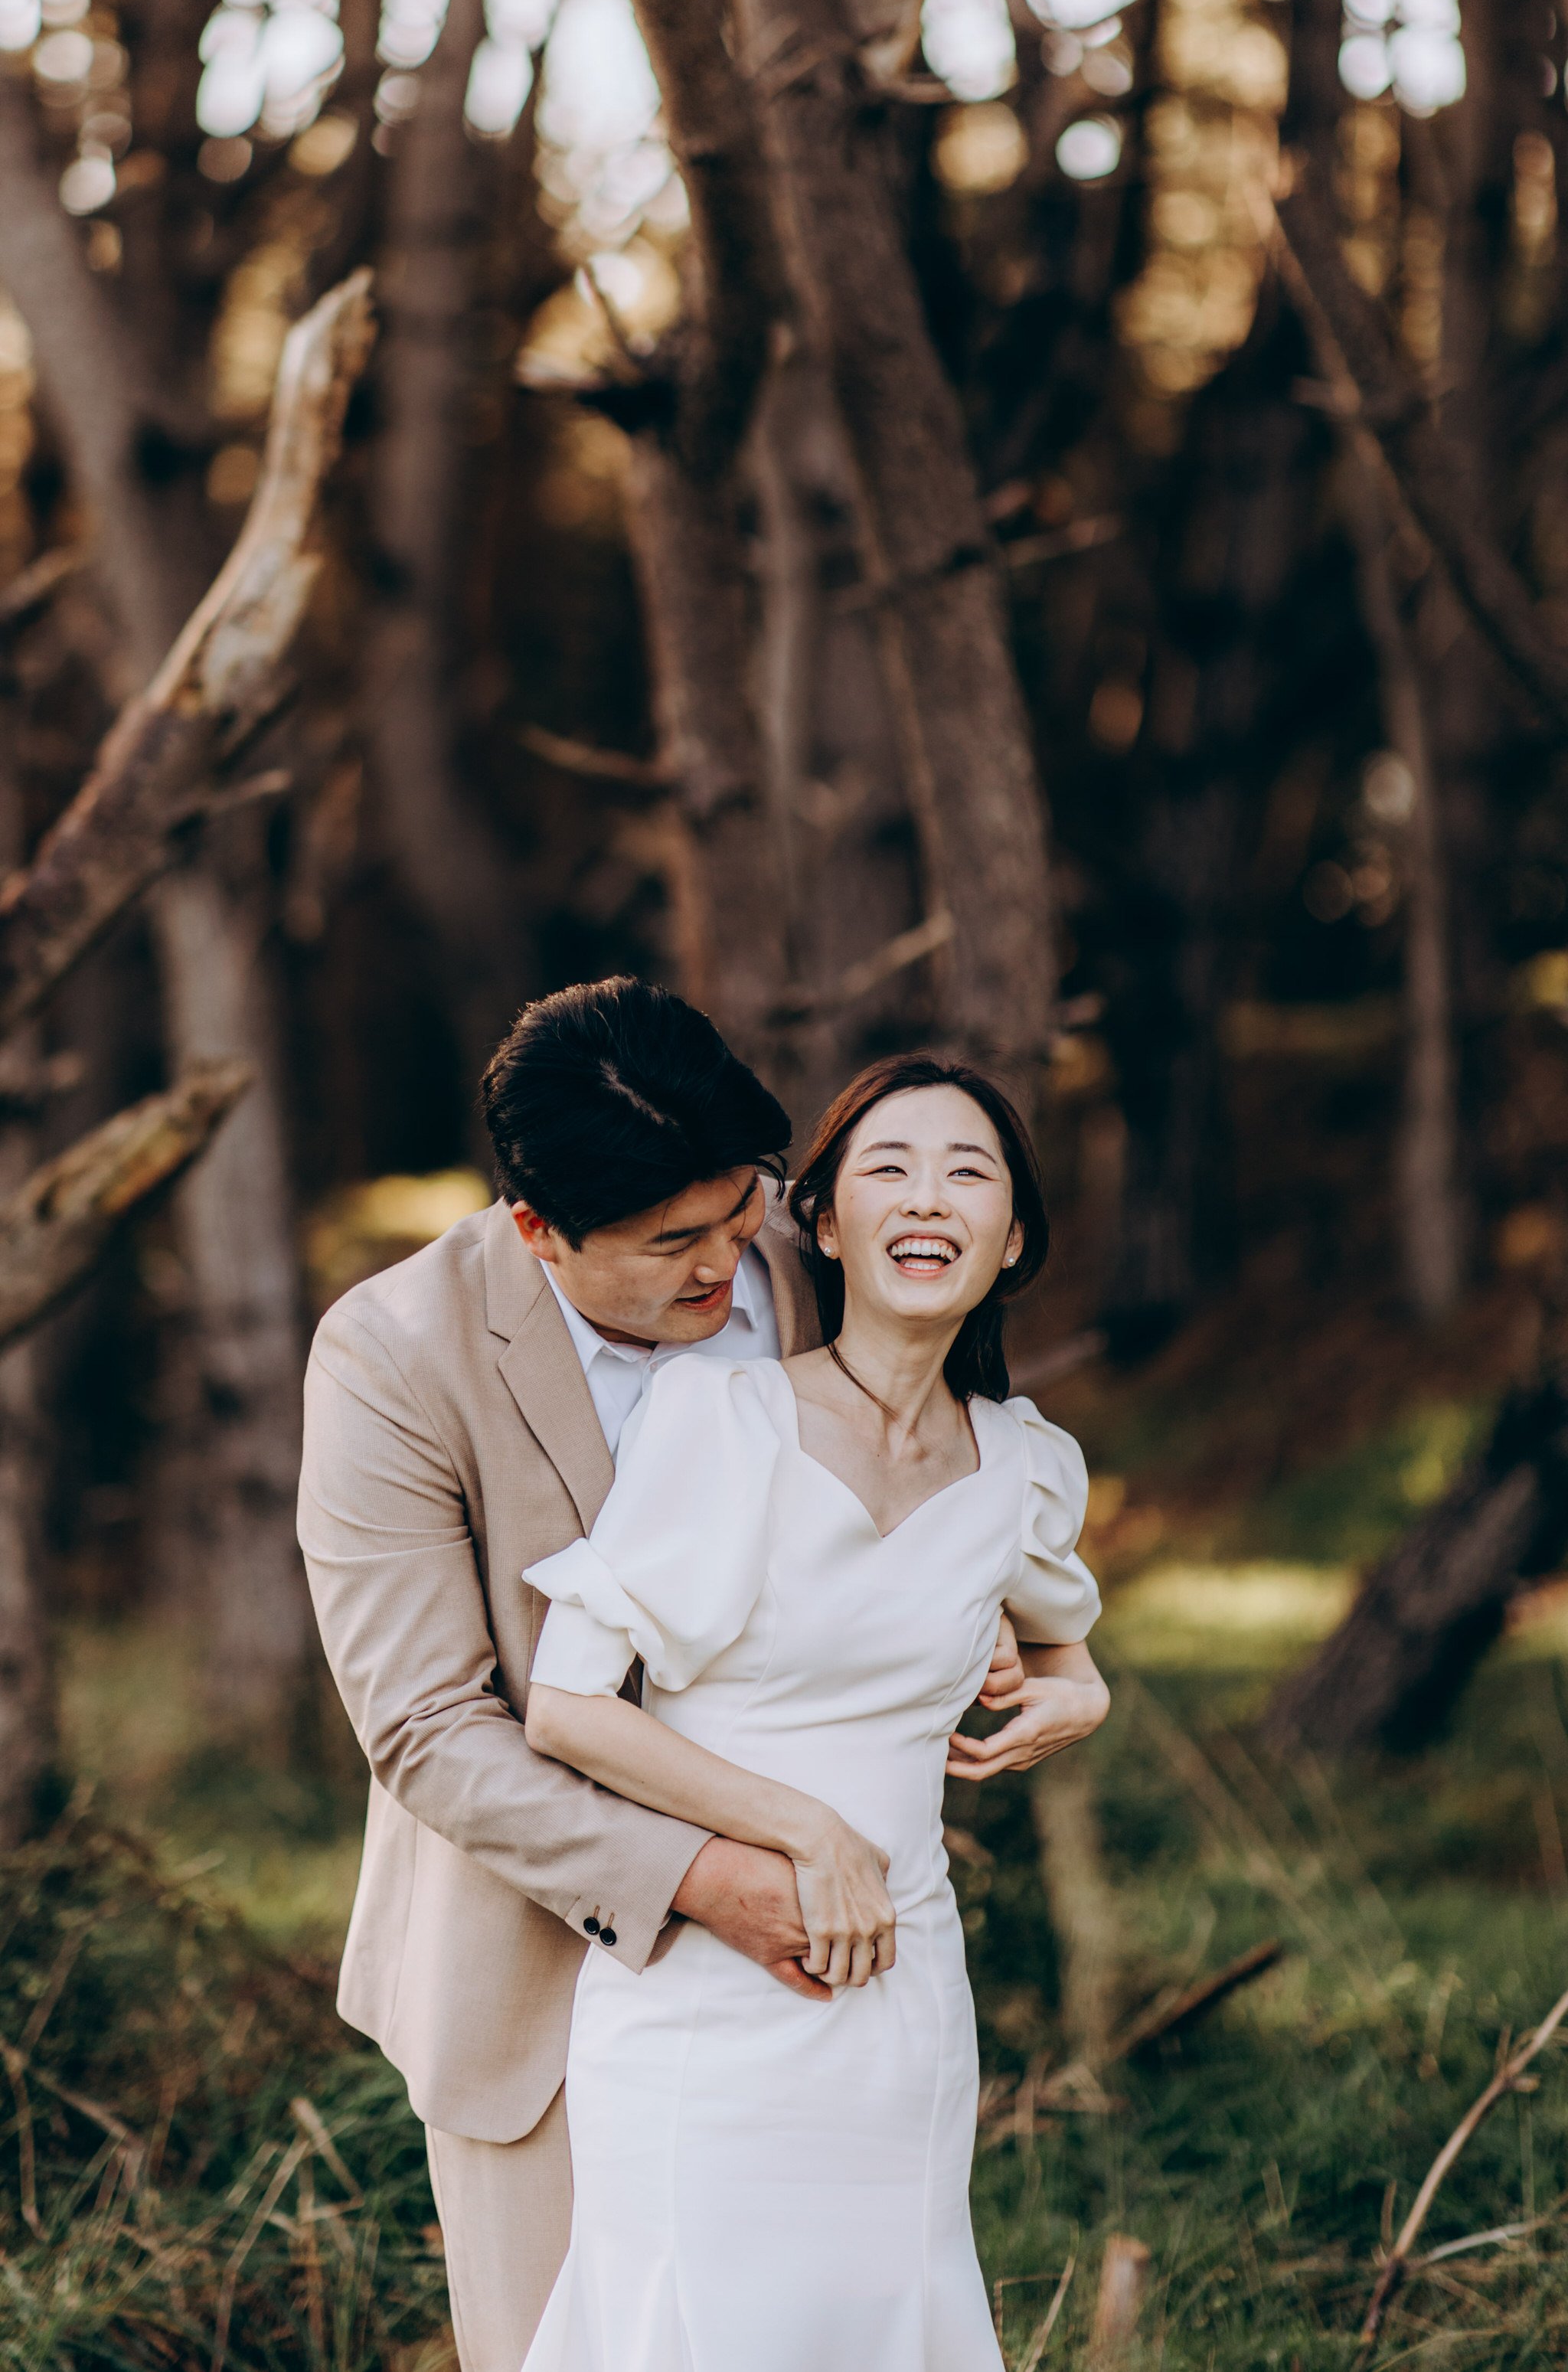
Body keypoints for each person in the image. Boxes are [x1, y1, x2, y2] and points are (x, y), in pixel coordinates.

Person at [297, 980, 1036, 2369]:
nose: (722, 1262)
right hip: (534, 1979)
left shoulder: (806, 1263)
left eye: (738, 1208)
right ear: (537, 1230)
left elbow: (928, 1480)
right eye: (668, 1243)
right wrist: (703, 1875)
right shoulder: (392, 1353)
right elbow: (429, 1725)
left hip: (827, 1976)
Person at [518, 1053, 1109, 2372]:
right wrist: (809, 1832)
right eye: (887, 1168)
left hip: (902, 2010)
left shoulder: (1023, 1466)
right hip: (705, 2000)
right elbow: (567, 1708)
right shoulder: (722, 1417)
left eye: (969, 1173)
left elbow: (1067, 1650)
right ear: (827, 1225)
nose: (928, 1198)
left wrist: (1080, 1692)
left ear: (1012, 1241)